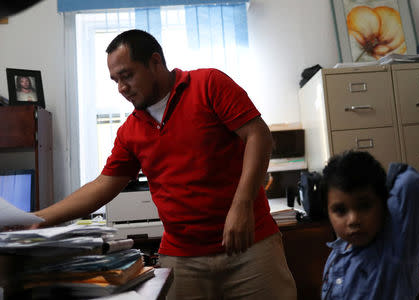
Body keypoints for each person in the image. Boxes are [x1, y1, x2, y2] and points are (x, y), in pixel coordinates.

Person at [30, 29, 297, 299]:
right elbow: (103, 185)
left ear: (155, 63)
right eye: (115, 80)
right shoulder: (130, 131)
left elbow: (258, 136)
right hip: (182, 257)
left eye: (127, 76)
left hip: (250, 245)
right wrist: (37, 220)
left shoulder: (208, 84)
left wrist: (241, 206)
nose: (121, 88)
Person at [320, 150, 419, 300]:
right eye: (340, 210)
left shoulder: (395, 246)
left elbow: (411, 183)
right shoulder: (337, 254)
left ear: (384, 205)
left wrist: (384, 186)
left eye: (364, 206)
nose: (353, 219)